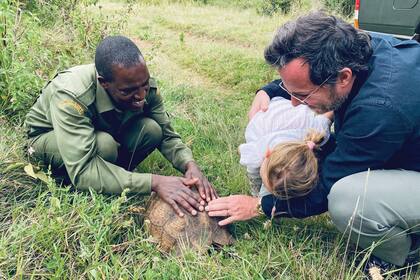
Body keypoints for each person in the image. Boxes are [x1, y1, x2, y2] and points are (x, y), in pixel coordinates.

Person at [206, 11, 420, 276]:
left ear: (343, 78)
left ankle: (405, 254)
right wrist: (269, 90)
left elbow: (326, 188)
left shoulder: (379, 109)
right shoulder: (360, 46)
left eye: (302, 94)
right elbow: (300, 81)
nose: (293, 102)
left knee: (347, 199)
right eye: (290, 92)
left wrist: (260, 205)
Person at [25, 35, 217, 217]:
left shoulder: (140, 84)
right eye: (128, 91)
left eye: (144, 86)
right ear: (104, 84)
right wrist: (154, 182)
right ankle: (78, 183)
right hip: (48, 139)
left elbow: (167, 135)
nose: (141, 96)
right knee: (104, 146)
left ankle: (113, 179)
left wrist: (189, 165)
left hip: (98, 130)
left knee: (150, 130)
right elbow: (82, 169)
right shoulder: (72, 95)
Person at [238, 96, 332, 198]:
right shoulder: (258, 148)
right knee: (255, 167)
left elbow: (328, 116)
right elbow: (252, 170)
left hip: (294, 110)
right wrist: (256, 190)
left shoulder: (317, 132)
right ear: (267, 154)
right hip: (270, 111)